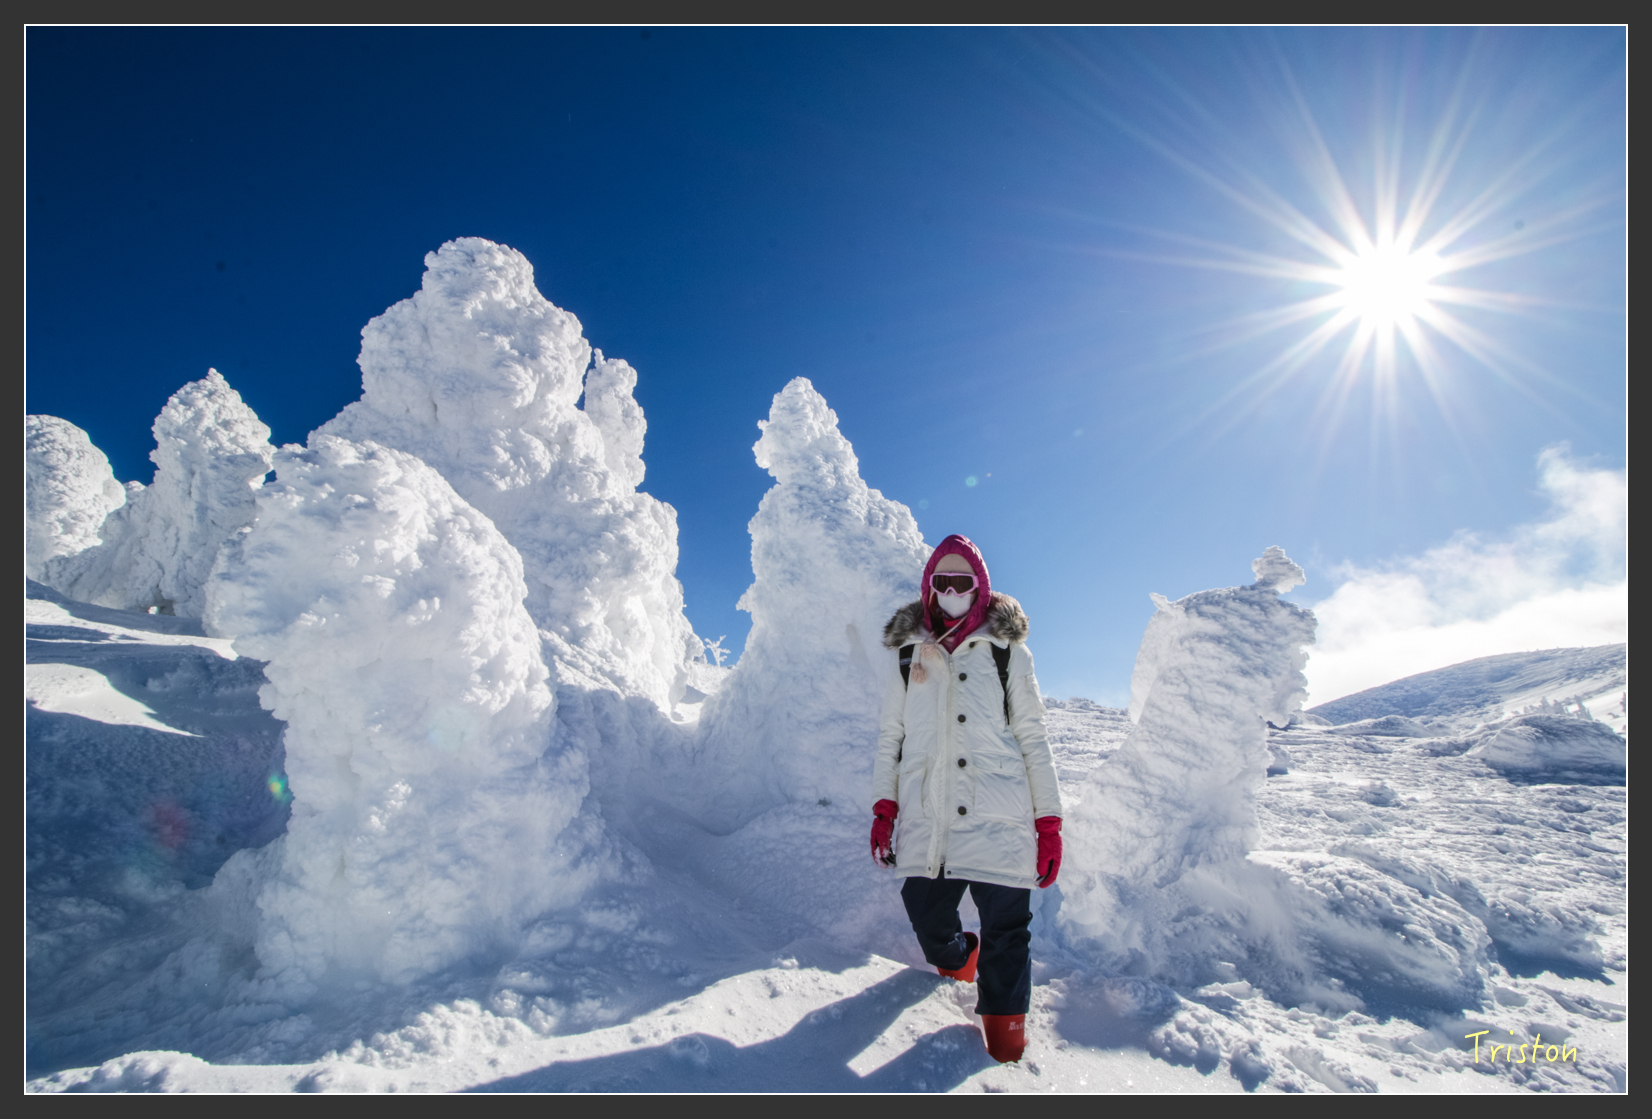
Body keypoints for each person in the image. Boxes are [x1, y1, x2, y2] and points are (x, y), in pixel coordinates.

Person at [868, 534, 1063, 1064]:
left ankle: (1005, 1040)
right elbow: (892, 737)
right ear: (929, 588)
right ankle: (957, 959)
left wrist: (1049, 822)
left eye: (963, 582)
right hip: (931, 816)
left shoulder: (1007, 653)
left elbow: (1033, 736)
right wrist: (884, 808)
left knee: (1008, 929)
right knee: (923, 908)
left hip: (1001, 811)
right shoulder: (910, 653)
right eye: (942, 582)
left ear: (980, 588)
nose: (952, 591)